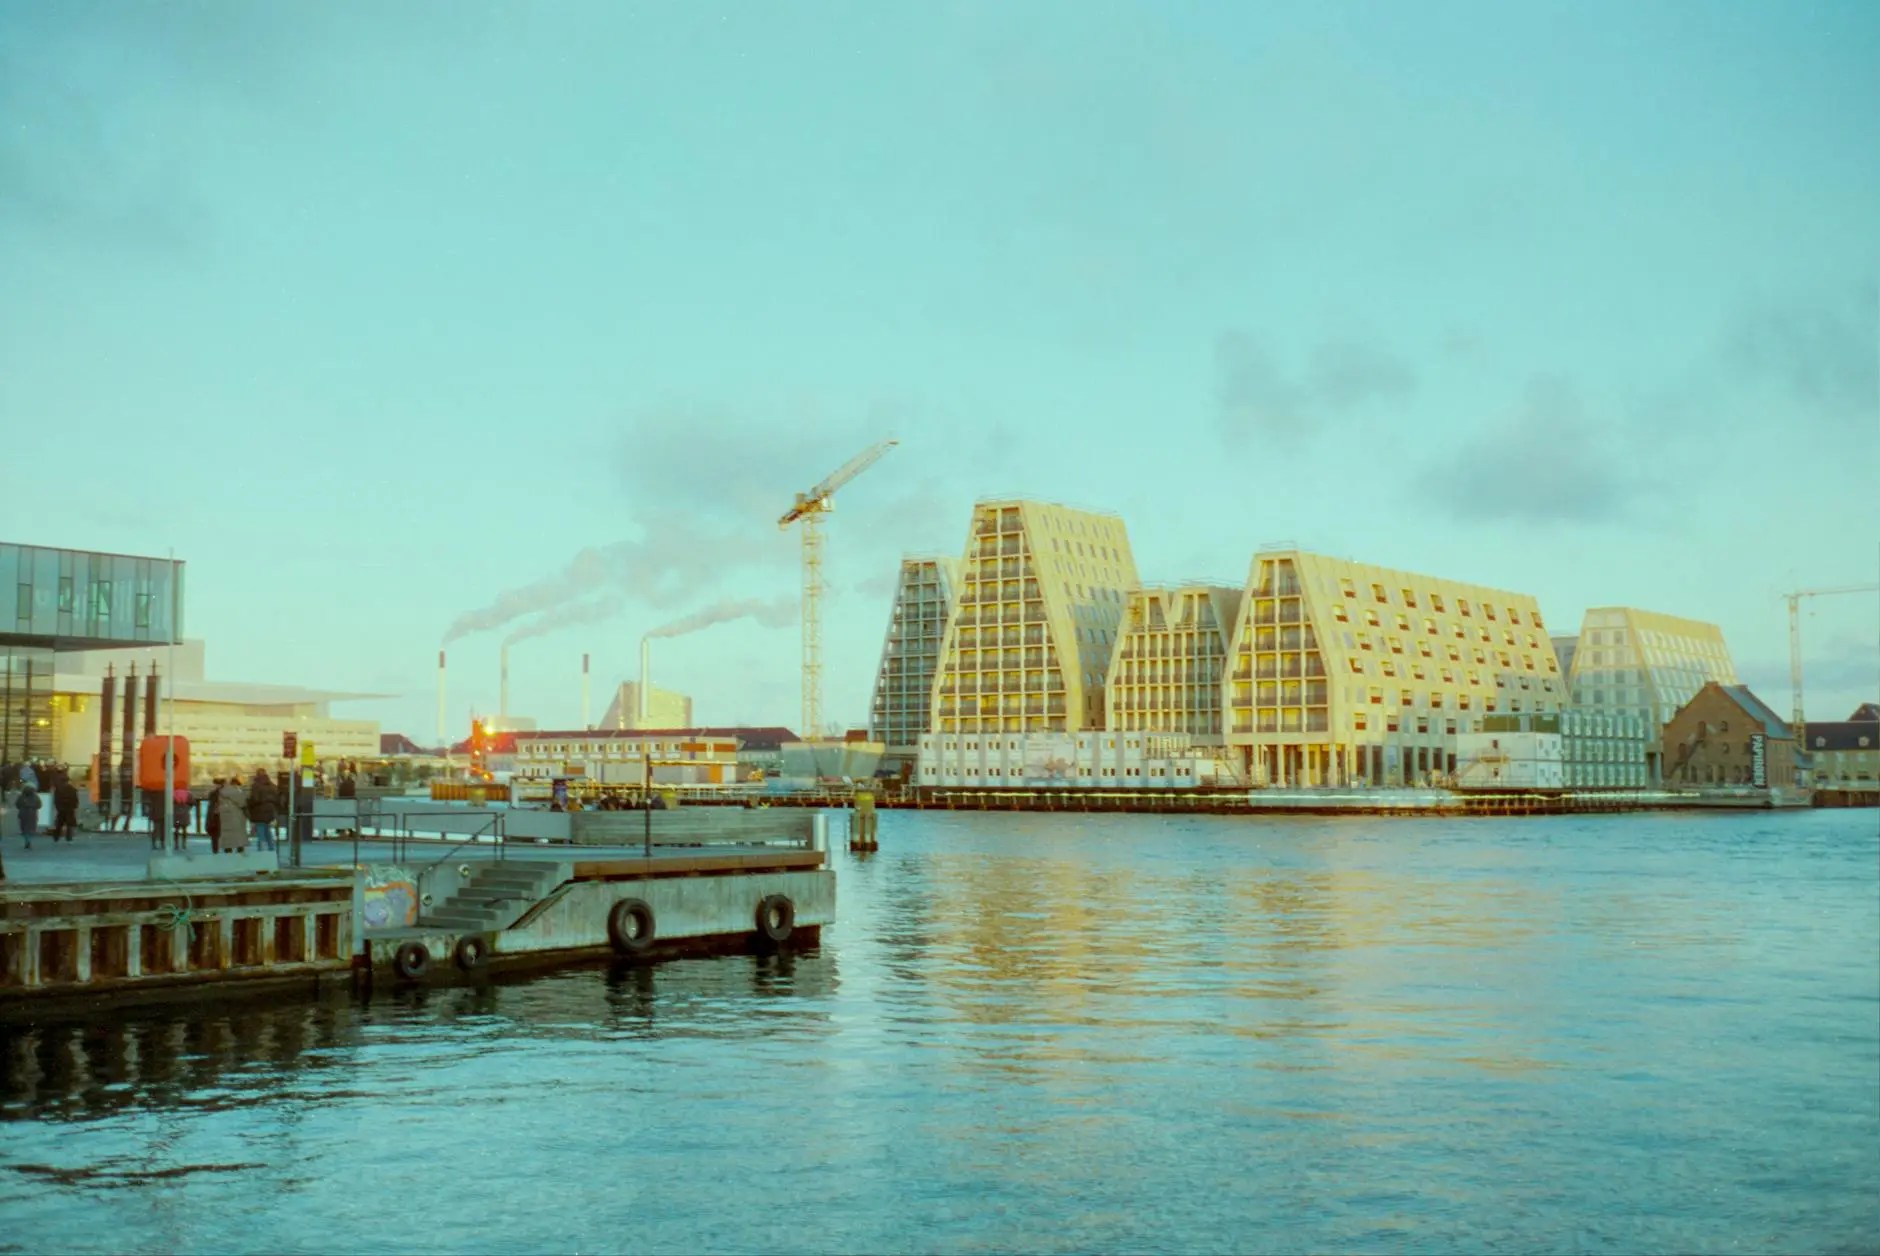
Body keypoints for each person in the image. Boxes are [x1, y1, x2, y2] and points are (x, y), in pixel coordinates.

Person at [247, 770, 278, 851]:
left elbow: (255, 799)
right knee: (267, 831)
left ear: (257, 775)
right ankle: (271, 849)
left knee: (261, 832)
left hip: (259, 811)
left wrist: (248, 803)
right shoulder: (272, 785)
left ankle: (262, 850)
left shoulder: (256, 785)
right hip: (270, 812)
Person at [218, 777, 250, 854]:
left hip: (224, 814)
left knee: (227, 834)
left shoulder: (222, 791)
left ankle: (228, 851)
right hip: (235, 814)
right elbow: (242, 803)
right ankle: (240, 852)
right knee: (239, 834)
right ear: (236, 783)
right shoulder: (236, 791)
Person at [52, 775, 79, 842]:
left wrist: (58, 807)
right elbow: (75, 799)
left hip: (61, 809)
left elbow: (56, 800)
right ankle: (69, 837)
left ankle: (56, 837)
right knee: (69, 824)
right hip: (69, 809)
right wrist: (74, 806)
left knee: (59, 824)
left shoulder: (58, 789)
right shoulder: (72, 789)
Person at [15, 783, 41, 849]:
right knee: (31, 828)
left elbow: (17, 804)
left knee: (24, 828)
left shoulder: (21, 796)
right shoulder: (35, 796)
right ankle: (29, 840)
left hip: (23, 812)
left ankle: (27, 840)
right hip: (32, 812)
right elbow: (39, 805)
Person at [206, 778, 225, 852]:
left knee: (215, 834)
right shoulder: (224, 792)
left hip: (215, 815)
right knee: (218, 833)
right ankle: (224, 849)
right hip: (221, 815)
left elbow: (211, 804)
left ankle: (215, 849)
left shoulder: (214, 793)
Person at [172, 784, 192, 851]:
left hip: (176, 814)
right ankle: (184, 844)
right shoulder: (188, 793)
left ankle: (176, 844)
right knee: (184, 829)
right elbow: (192, 803)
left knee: (176, 829)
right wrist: (188, 808)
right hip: (185, 814)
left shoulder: (173, 793)